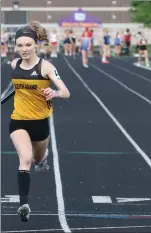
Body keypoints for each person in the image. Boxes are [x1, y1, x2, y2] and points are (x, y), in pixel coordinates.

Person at [1, 21, 70, 222]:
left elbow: (66, 92)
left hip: (40, 123)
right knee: (25, 158)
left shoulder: (46, 67)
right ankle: (24, 205)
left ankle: (43, 158)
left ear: (36, 45)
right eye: (20, 45)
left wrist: (54, 92)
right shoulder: (14, 64)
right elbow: (15, 87)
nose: (24, 49)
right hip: (18, 121)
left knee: (39, 159)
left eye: (28, 45)